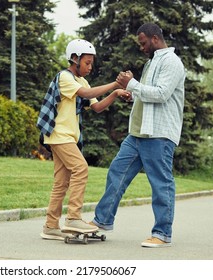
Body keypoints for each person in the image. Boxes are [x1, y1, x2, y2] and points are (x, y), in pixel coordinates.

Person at [90, 23, 186, 248]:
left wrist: (132, 83)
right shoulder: (151, 62)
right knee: (117, 172)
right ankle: (102, 221)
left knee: (160, 183)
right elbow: (148, 94)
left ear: (154, 39)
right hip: (138, 133)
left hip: (159, 134)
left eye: (143, 43)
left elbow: (162, 94)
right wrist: (131, 94)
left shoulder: (172, 62)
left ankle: (162, 233)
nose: (141, 48)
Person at [37, 39, 129, 240]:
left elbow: (96, 107)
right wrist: (115, 83)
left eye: (91, 63)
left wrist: (114, 93)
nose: (90, 67)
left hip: (66, 136)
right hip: (59, 134)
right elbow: (85, 94)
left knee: (61, 182)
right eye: (87, 62)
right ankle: (73, 218)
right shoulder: (65, 77)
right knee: (81, 168)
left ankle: (51, 226)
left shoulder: (82, 81)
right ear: (74, 59)